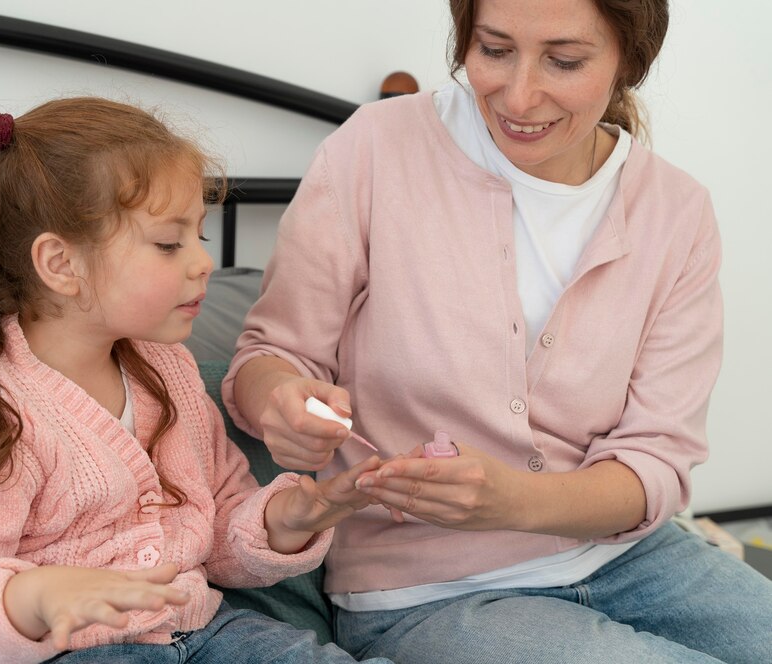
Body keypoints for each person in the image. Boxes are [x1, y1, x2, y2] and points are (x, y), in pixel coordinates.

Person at [222, 0, 772, 662]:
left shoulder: (677, 211)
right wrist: (279, 397)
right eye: (493, 50)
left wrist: (514, 498)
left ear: (630, 58)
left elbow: (654, 460)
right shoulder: (374, 148)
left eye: (563, 61)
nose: (518, 94)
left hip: (632, 556)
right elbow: (271, 357)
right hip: (425, 589)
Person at [0, 97, 393, 664]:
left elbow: (216, 528)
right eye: (169, 243)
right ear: (60, 264)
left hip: (212, 634)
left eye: (199, 237)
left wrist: (290, 518)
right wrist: (32, 597)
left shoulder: (168, 373)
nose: (202, 262)